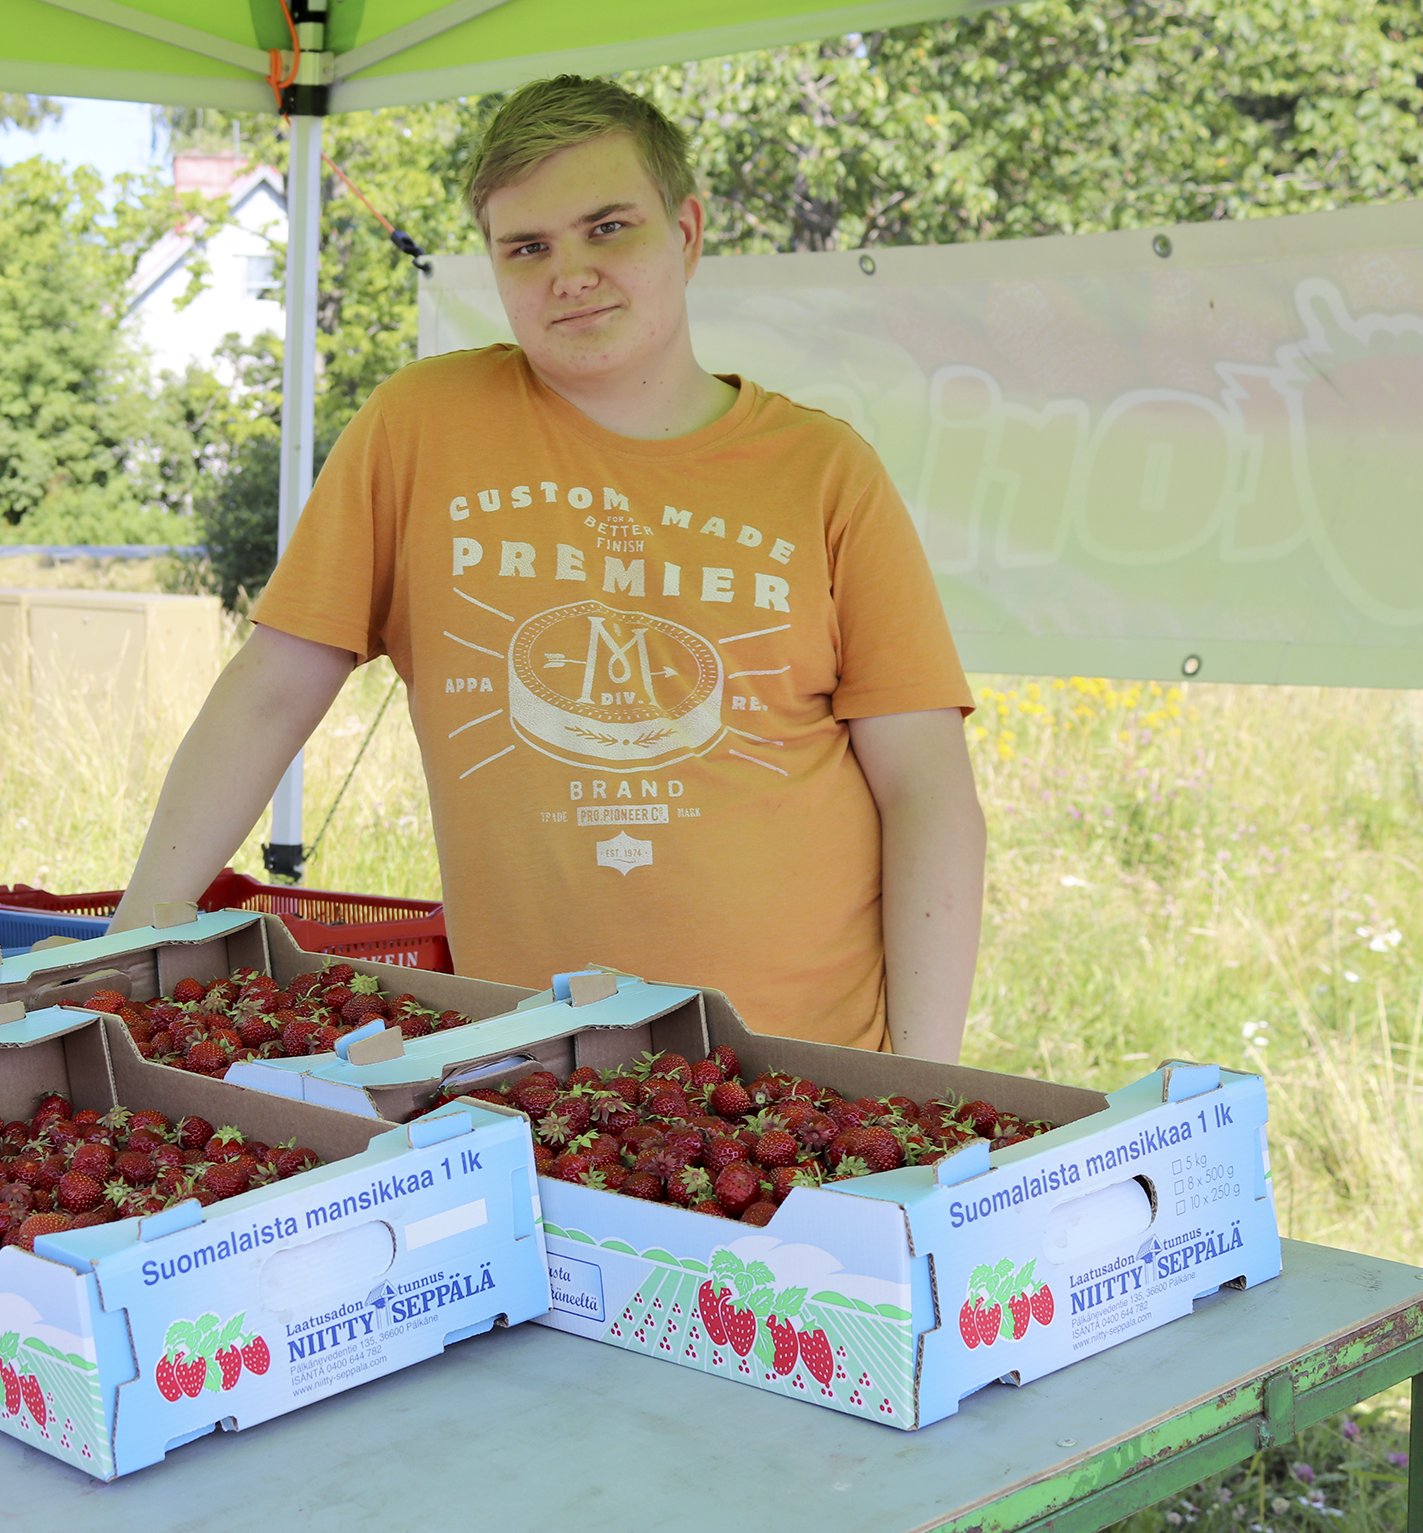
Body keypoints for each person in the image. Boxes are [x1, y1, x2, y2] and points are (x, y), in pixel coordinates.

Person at [113, 75, 984, 1061]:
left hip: (798, 1071)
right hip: (526, 1062)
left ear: (685, 234)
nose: (567, 273)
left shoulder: (824, 473)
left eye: (606, 228)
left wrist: (919, 1078)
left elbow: (923, 786)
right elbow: (274, 685)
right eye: (526, 247)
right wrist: (142, 927)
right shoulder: (422, 426)